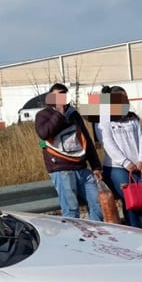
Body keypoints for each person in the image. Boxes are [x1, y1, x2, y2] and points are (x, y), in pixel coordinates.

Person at [35, 83, 104, 221]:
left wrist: (96, 166)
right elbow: (44, 133)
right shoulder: (43, 115)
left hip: (82, 167)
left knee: (98, 203)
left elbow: (86, 140)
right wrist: (59, 113)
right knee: (71, 210)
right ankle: (74, 238)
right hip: (61, 169)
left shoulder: (74, 115)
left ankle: (96, 236)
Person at [95, 85, 142, 230]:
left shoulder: (132, 119)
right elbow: (107, 143)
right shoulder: (103, 120)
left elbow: (141, 139)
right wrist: (126, 163)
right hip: (117, 168)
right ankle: (135, 232)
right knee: (131, 202)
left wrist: (141, 160)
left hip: (139, 166)